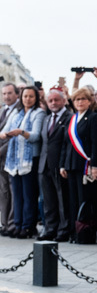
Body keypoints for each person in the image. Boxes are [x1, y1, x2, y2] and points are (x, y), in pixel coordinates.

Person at [59, 87, 97, 243]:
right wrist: (62, 165)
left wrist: (96, 166)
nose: (79, 102)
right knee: (73, 201)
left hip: (86, 166)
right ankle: (75, 232)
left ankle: (86, 233)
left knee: (85, 200)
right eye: (77, 99)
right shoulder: (72, 119)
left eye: (83, 99)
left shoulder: (94, 118)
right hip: (71, 165)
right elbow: (65, 144)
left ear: (89, 101)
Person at [0, 86, 46, 238]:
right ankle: (17, 224)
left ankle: (28, 226)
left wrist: (21, 132)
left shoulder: (38, 112)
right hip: (14, 159)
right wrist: (5, 134)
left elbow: (35, 136)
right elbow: (5, 130)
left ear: (36, 98)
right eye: (25, 96)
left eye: (31, 96)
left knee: (29, 195)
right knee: (17, 195)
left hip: (29, 159)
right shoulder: (16, 112)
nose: (27, 99)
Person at [38, 88, 73, 241]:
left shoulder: (70, 117)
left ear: (63, 101)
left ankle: (64, 230)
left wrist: (63, 164)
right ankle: (50, 228)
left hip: (60, 165)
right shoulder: (46, 119)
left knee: (63, 200)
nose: (53, 103)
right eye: (50, 100)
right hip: (44, 164)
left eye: (56, 100)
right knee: (48, 200)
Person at [0, 83, 21, 236]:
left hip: (10, 156)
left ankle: (13, 224)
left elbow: (11, 137)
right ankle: (5, 223)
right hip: (1, 158)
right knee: (3, 192)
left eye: (9, 93)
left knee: (13, 192)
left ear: (16, 94)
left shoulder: (19, 110)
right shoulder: (2, 110)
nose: (6, 96)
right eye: (4, 93)